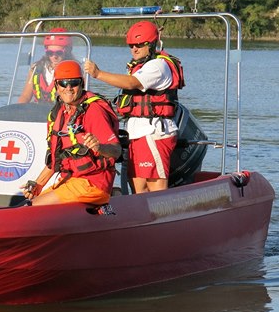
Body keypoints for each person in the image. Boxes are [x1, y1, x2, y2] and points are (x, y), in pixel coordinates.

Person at [84, 21, 185, 193]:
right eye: (131, 45)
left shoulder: (158, 66)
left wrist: (97, 74)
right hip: (138, 134)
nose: (134, 49)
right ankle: (140, 217)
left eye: (139, 45)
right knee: (137, 186)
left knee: (156, 187)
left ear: (152, 44)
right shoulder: (140, 66)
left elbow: (132, 83)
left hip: (154, 133)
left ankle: (161, 217)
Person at [21, 60, 121, 206]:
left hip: (92, 183)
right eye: (63, 83)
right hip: (70, 180)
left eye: (73, 83)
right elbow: (56, 159)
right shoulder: (58, 113)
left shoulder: (94, 110)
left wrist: (100, 148)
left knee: (33, 208)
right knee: (29, 203)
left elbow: (116, 150)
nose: (68, 88)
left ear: (81, 84)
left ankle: (110, 197)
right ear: (56, 85)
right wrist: (38, 184)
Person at [18, 28, 76, 104]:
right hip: (38, 112)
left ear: (68, 51)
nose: (54, 56)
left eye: (59, 53)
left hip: (62, 113)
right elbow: (25, 96)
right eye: (50, 53)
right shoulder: (35, 69)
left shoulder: (75, 71)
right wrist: (16, 111)